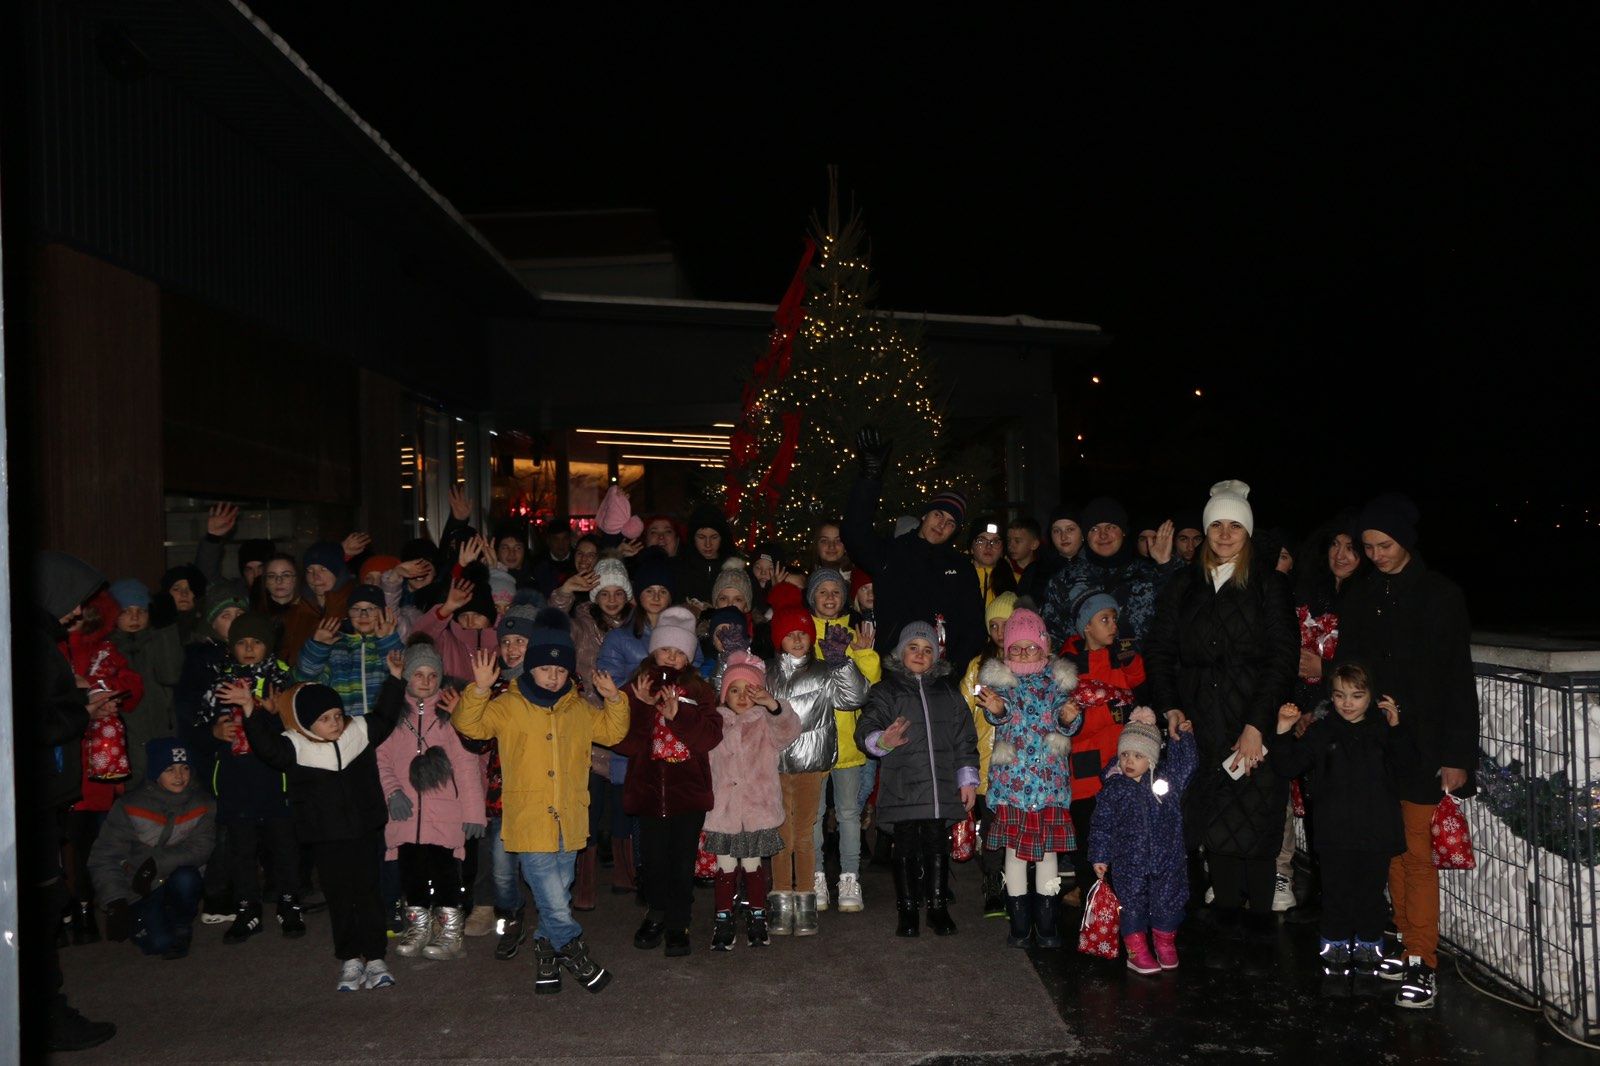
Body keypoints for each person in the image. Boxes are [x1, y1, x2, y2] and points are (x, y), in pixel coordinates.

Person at [1335, 492, 1479, 1009]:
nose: (1376, 555)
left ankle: (1423, 960)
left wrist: (1458, 756)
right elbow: (1349, 669)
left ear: (1407, 542)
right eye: (1369, 546)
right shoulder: (1360, 595)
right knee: (1389, 847)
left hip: (1424, 746)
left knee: (1416, 855)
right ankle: (1401, 938)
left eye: (1385, 545)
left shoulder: (1441, 595)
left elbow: (1458, 679)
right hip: (1374, 745)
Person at [1145, 480, 1298, 926]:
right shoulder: (1184, 584)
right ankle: (1225, 927)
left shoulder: (1268, 584)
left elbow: (1282, 658)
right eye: (1216, 525)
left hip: (1251, 719)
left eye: (1235, 526)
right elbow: (1160, 650)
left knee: (1255, 819)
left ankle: (1262, 931)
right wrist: (1171, 707)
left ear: (1248, 532)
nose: (1225, 534)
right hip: (1199, 721)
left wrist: (1257, 725)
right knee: (1211, 821)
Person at [454, 617, 631, 994]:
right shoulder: (508, 705)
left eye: (561, 669)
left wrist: (614, 699)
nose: (553, 676)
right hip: (529, 819)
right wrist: (479, 689)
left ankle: (546, 953)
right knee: (552, 897)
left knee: (559, 892)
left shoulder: (578, 708)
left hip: (570, 817)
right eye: (545, 668)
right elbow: (471, 726)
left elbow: (613, 733)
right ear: (530, 667)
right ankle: (574, 950)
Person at [243, 673, 404, 991]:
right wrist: (252, 711)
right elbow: (266, 749)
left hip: (363, 831)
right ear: (306, 724)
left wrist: (395, 681)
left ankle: (375, 958)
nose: (334, 723)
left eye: (337, 715)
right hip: (326, 837)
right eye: (324, 719)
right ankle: (350, 957)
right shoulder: (295, 746)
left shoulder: (357, 731)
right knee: (339, 897)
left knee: (368, 894)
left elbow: (385, 716)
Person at [24, 551, 120, 1052]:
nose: (79, 611)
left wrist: (76, 700)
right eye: (74, 600)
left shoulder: (37, 638)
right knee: (39, 910)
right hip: (29, 803)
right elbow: (30, 721)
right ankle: (46, 1017)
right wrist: (80, 711)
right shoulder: (30, 643)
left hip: (40, 797)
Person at [1272, 663, 1413, 980]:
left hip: (1376, 832)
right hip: (1335, 832)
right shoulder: (1322, 732)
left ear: (1371, 696)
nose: (1347, 703)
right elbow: (1288, 766)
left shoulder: (1382, 731)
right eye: (1339, 695)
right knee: (1336, 894)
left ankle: (1368, 950)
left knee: (1370, 895)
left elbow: (1406, 770)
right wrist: (1283, 731)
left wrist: (1396, 729)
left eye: (1356, 695)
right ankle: (1334, 951)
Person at [856, 623, 979, 938]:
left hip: (939, 786)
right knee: (906, 846)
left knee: (937, 844)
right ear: (900, 652)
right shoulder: (886, 691)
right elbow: (867, 726)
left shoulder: (948, 693)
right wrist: (881, 740)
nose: (920, 655)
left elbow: (965, 738)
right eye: (913, 648)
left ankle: (937, 907)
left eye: (927, 650)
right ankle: (907, 909)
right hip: (903, 784)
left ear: (936, 656)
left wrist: (966, 778)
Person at [614, 607, 723, 957]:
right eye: (665, 649)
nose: (672, 657)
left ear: (689, 656)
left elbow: (710, 737)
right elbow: (623, 742)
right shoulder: (637, 686)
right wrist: (643, 706)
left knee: (681, 861)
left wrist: (680, 715)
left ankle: (679, 922)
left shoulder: (699, 689)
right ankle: (656, 914)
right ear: (653, 650)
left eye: (679, 652)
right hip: (648, 791)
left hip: (687, 792)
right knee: (654, 861)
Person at [974, 609, 1083, 949]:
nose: (1023, 654)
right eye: (1016, 648)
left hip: (1049, 785)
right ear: (1005, 650)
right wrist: (997, 709)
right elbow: (1002, 711)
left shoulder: (1057, 682)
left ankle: (1047, 925)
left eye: (1030, 647)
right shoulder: (1001, 682)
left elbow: (1067, 720)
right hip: (1014, 787)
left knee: (1048, 854)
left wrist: (1068, 718)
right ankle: (1020, 926)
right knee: (1015, 854)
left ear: (1044, 648)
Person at [763, 589, 869, 935]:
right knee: (781, 833)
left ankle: (807, 895)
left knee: (807, 832)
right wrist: (729, 659)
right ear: (778, 639)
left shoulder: (823, 670)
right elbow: (734, 695)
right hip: (777, 766)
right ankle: (782, 898)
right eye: (789, 634)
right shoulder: (767, 673)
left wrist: (842, 664)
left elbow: (854, 697)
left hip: (812, 765)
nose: (797, 640)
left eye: (803, 633)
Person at [377, 643, 485, 962]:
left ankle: (450, 931)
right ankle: (418, 925)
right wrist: (392, 792)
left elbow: (466, 766)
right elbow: (380, 758)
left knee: (445, 872)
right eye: (418, 674)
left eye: (432, 675)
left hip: (445, 814)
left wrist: (474, 812)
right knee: (411, 872)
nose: (425, 681)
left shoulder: (450, 713)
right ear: (406, 676)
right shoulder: (394, 715)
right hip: (406, 814)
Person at [843, 426, 985, 666]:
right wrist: (870, 477)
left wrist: (952, 672)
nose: (941, 525)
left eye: (950, 523)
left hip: (939, 672)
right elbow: (854, 533)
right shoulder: (891, 553)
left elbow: (973, 628)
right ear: (925, 515)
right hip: (893, 668)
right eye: (938, 515)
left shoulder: (961, 568)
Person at [201, 612, 298, 943]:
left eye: (256, 642)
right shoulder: (220, 679)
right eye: (241, 642)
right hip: (235, 778)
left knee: (283, 847)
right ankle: (247, 908)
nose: (249, 648)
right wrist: (214, 731)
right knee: (241, 850)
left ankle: (289, 903)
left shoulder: (279, 678)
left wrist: (272, 715)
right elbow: (200, 725)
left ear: (267, 646)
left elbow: (293, 727)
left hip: (273, 778)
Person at [704, 652, 803, 950]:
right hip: (724, 811)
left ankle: (757, 916)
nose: (741, 696)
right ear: (724, 695)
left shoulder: (764, 722)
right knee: (724, 866)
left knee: (753, 865)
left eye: (748, 690)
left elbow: (789, 731)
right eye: (734, 690)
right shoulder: (715, 723)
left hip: (757, 809)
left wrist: (772, 705)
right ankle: (723, 918)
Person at [1088, 708, 1198, 973]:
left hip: (1167, 859)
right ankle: (1136, 951)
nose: (1129, 761)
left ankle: (1165, 943)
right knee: (1132, 904)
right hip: (1129, 861)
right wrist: (1100, 856)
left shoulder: (1165, 782)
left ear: (1151, 757)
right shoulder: (1114, 787)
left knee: (1167, 900)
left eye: (1138, 756)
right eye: (1125, 754)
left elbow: (1186, 765)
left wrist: (1183, 739)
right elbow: (1101, 824)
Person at [89, 738, 216, 960]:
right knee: (158, 943)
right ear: (156, 772)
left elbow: (201, 848)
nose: (179, 776)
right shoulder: (130, 805)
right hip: (138, 885)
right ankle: (149, 916)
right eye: (170, 769)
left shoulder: (202, 803)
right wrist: (115, 902)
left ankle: (181, 924)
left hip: (174, 875)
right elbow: (105, 856)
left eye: (185, 768)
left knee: (187, 879)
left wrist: (157, 863)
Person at [801, 568, 880, 915]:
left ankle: (850, 877)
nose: (830, 597)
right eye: (822, 591)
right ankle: (816, 875)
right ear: (812, 598)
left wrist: (863, 654)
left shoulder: (853, 632)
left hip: (847, 739)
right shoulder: (803, 633)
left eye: (836, 591)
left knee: (849, 813)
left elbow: (869, 683)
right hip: (811, 742)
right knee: (813, 814)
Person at [1060, 593, 1146, 905]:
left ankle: (1123, 896)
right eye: (1104, 619)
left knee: (1123, 833)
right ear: (1087, 627)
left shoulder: (1118, 656)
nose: (1113, 625)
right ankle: (1091, 898)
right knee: (1089, 834)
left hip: (1121, 763)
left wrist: (1130, 657)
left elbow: (1138, 681)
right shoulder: (1068, 666)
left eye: (1114, 619)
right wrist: (1110, 713)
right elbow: (1068, 724)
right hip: (1084, 766)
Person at [1042, 497, 1179, 650]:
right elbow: (1051, 637)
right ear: (1086, 535)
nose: (1103, 535)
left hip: (1142, 664)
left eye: (1111, 527)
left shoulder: (1148, 574)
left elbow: (1176, 613)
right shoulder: (1064, 580)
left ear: (1124, 532)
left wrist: (1165, 564)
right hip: (1081, 665)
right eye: (1094, 529)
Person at [959, 592, 1016, 918]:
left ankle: (1018, 883)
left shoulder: (1029, 664)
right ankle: (993, 883)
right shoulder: (977, 667)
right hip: (986, 759)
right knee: (992, 828)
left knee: (1017, 825)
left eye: (1005, 624)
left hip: (1020, 762)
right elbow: (963, 711)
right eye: (993, 625)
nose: (999, 631)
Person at [108, 578, 184, 787]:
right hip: (125, 740)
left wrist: (166, 628)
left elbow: (171, 675)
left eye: (141, 610)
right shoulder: (107, 648)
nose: (135, 617)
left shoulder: (157, 639)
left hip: (162, 733)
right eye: (126, 611)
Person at [294, 584, 404, 716]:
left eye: (371, 608)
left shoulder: (387, 644)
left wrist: (387, 640)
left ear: (383, 613)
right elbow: (303, 680)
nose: (363, 615)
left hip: (384, 725)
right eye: (356, 609)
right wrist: (317, 648)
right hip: (346, 724)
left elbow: (403, 676)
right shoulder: (336, 648)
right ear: (348, 613)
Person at [250, 553, 323, 665]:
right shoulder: (254, 618)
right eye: (272, 576)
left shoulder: (311, 615)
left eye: (286, 575)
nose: (279, 581)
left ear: (296, 579)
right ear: (265, 582)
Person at [676, 506, 739, 610]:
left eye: (714, 537)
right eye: (701, 537)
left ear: (722, 538)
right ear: (693, 538)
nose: (708, 544)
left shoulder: (735, 570)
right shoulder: (680, 569)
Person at [968, 517, 1017, 606]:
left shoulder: (1017, 581)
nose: (988, 546)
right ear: (971, 548)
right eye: (981, 541)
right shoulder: (957, 578)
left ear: (1002, 550)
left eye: (995, 542)